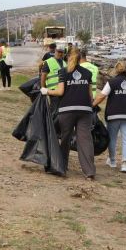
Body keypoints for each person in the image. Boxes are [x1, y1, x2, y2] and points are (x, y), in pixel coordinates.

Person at [43, 48, 95, 179]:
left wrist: (46, 91)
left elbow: (60, 92)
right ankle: (89, 172)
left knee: (65, 139)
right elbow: (90, 96)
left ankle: (62, 167)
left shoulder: (63, 72)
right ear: (81, 58)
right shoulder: (88, 73)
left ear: (68, 57)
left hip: (67, 110)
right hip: (85, 110)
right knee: (85, 140)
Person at [92, 60, 126, 173]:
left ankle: (112, 161)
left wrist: (92, 105)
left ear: (116, 70)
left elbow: (102, 96)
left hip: (113, 114)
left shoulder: (111, 82)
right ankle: (124, 164)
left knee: (112, 138)